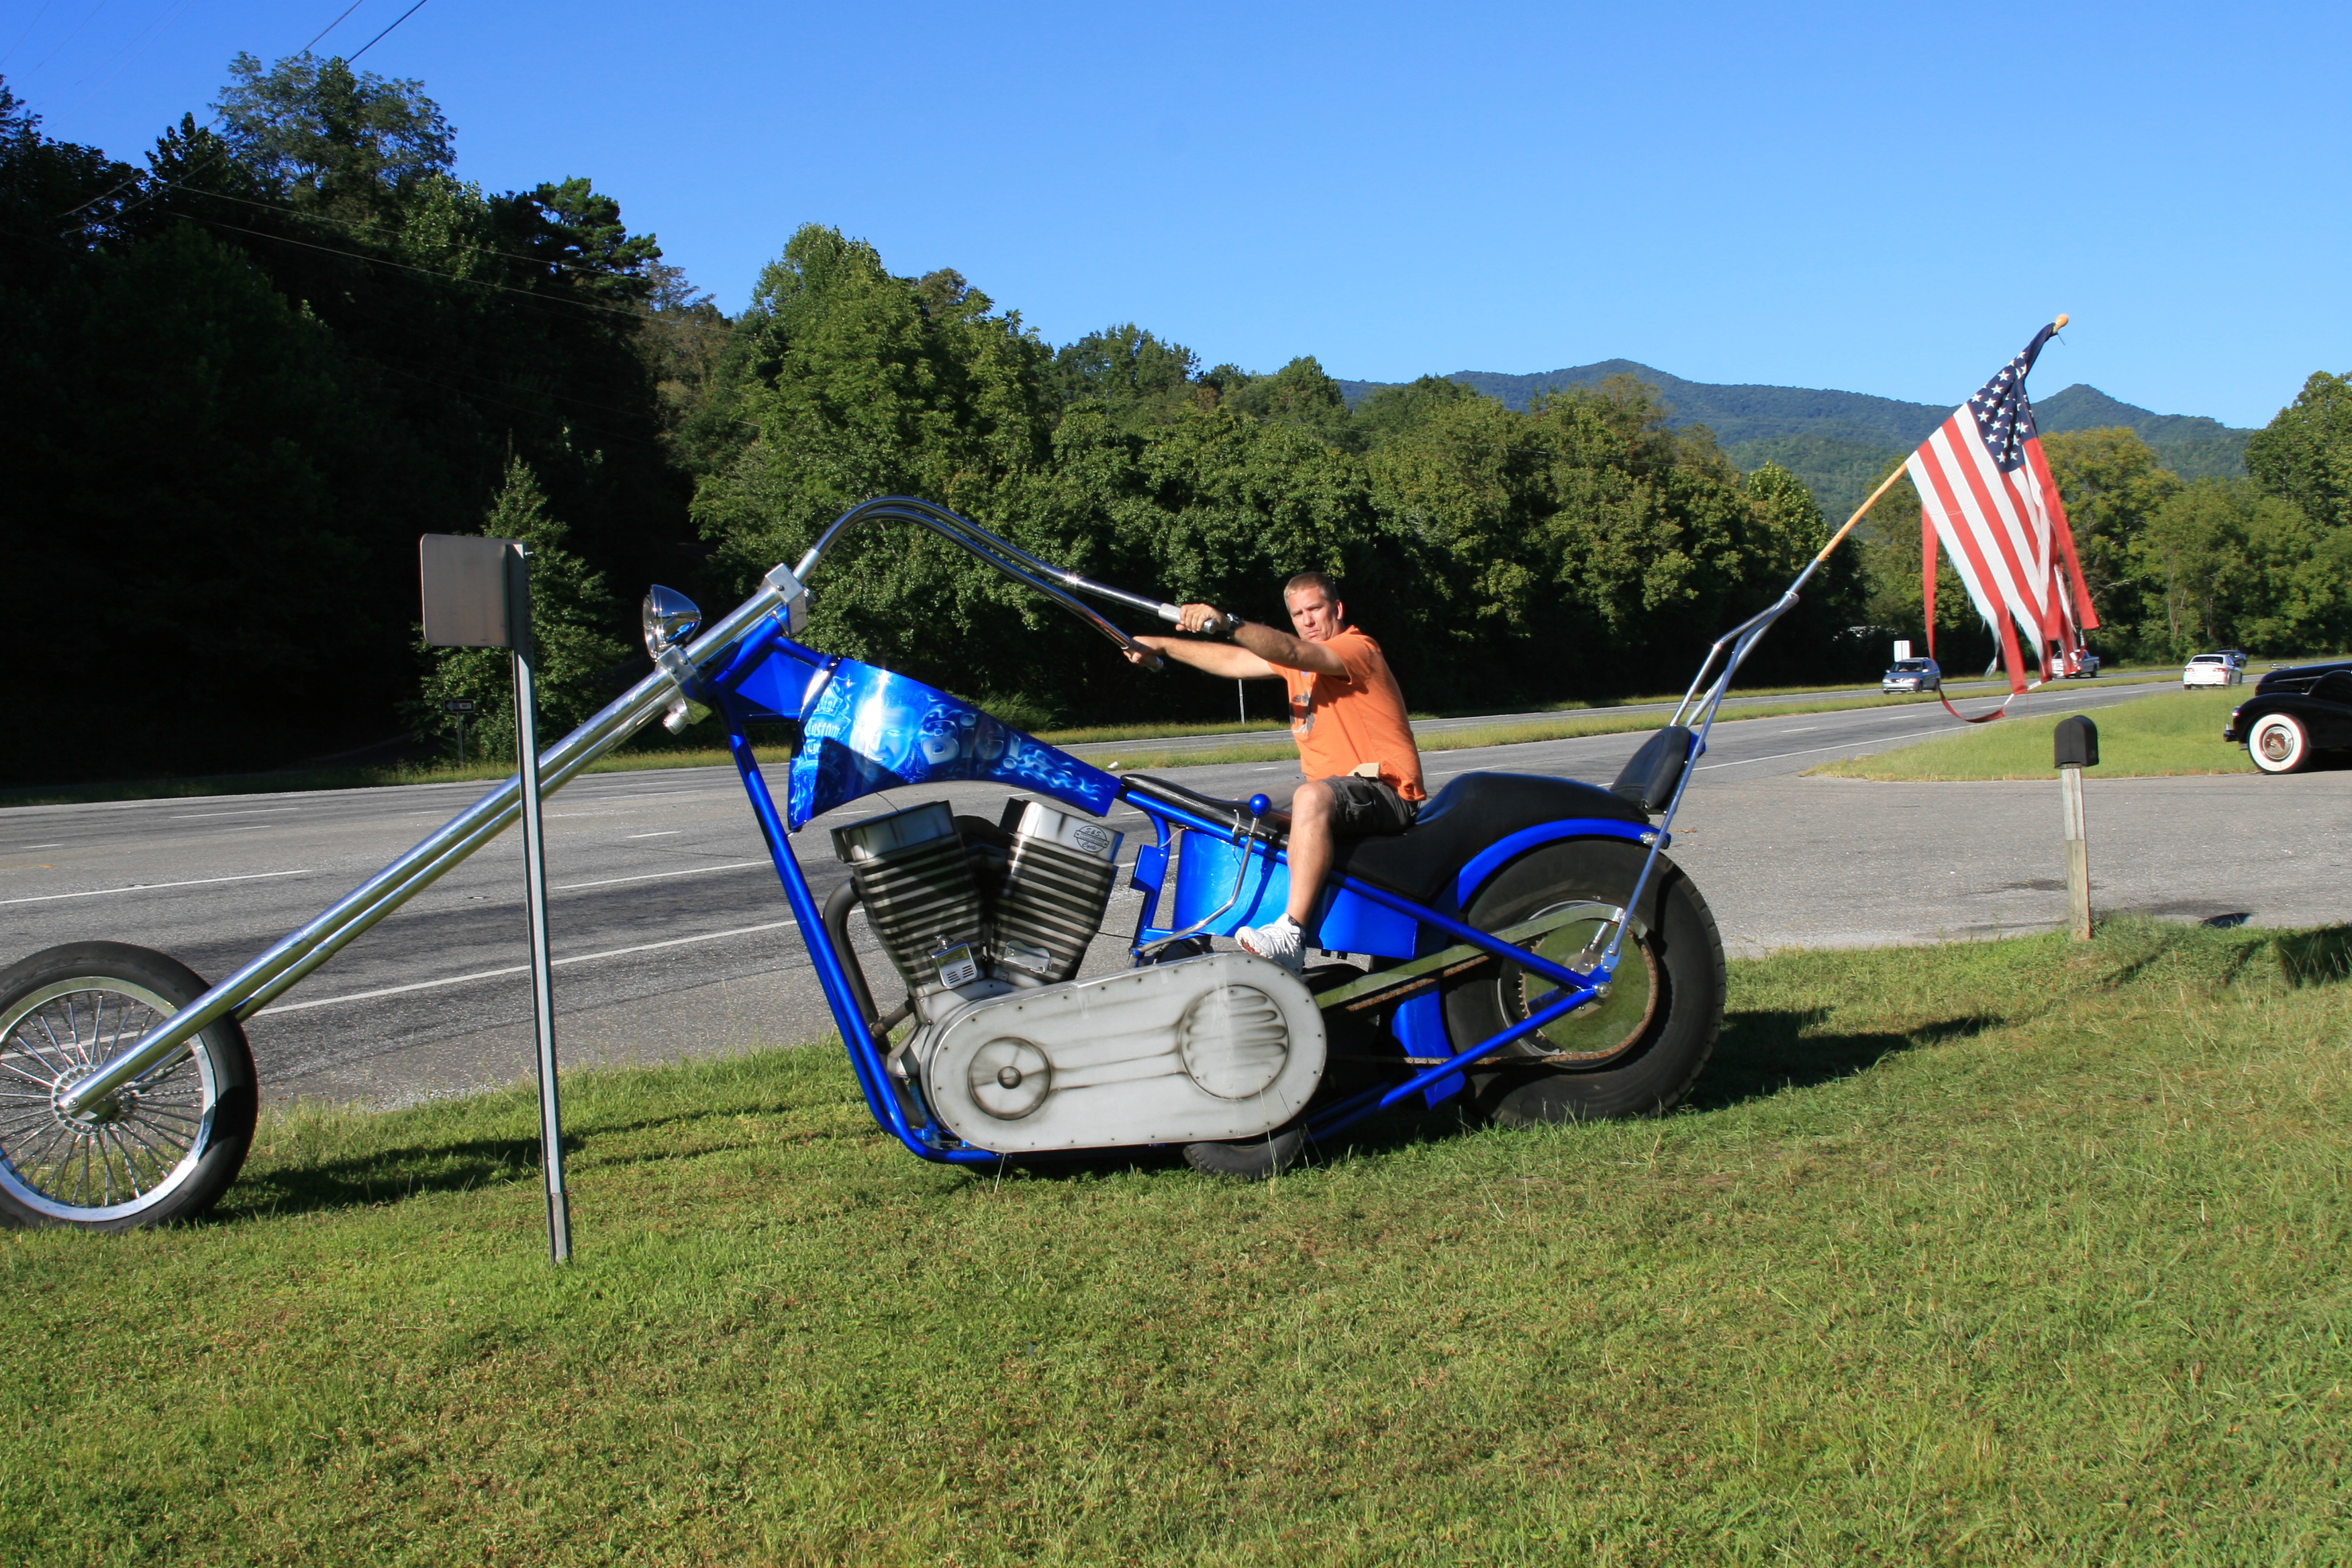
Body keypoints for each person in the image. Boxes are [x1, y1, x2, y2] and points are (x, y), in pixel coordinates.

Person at [1129, 571, 1424, 974]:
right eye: (1298, 614)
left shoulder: (1356, 649)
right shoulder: (1296, 663)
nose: (1308, 620)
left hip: (1385, 790)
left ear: (1337, 608)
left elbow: (1293, 651)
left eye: (1315, 609)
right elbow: (1233, 661)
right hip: (1332, 789)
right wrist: (1162, 643)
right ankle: (1199, 932)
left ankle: (1291, 936)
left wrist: (1228, 623)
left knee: (1311, 797)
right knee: (1226, 815)